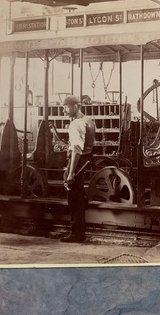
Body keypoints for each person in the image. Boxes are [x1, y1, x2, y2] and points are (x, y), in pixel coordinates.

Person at [60, 95, 95, 243]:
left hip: (78, 163)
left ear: (75, 106)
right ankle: (79, 233)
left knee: (74, 200)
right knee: (79, 198)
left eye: (65, 107)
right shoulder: (89, 121)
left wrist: (71, 173)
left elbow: (76, 149)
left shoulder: (76, 124)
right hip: (85, 162)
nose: (63, 110)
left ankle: (76, 234)